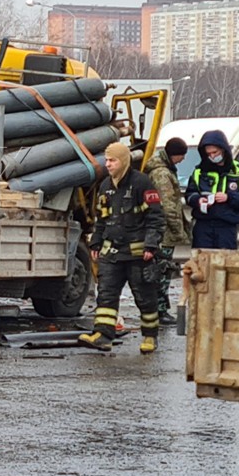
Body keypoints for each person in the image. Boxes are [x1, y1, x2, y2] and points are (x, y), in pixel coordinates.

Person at [79, 141, 165, 354]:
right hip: (112, 254)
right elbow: (101, 218)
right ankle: (103, 335)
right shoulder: (106, 186)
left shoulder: (142, 183)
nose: (107, 164)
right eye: (106, 160)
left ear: (124, 161)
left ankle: (149, 336)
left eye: (112, 160)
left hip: (138, 255)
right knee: (106, 295)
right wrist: (96, 242)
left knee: (145, 297)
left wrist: (151, 245)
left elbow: (155, 217)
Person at [144, 136, 192, 323]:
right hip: (163, 233)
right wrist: (178, 231)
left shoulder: (160, 170)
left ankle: (158, 309)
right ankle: (159, 311)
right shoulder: (162, 174)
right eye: (182, 155)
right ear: (174, 155)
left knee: (160, 270)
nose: (183, 159)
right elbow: (168, 205)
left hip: (159, 231)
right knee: (162, 271)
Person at [185, 129, 239, 250]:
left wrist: (229, 197)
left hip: (226, 226)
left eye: (215, 152)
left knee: (225, 263)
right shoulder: (199, 172)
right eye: (208, 154)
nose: (212, 156)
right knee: (201, 263)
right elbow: (189, 195)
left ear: (223, 149)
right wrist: (198, 200)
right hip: (203, 225)